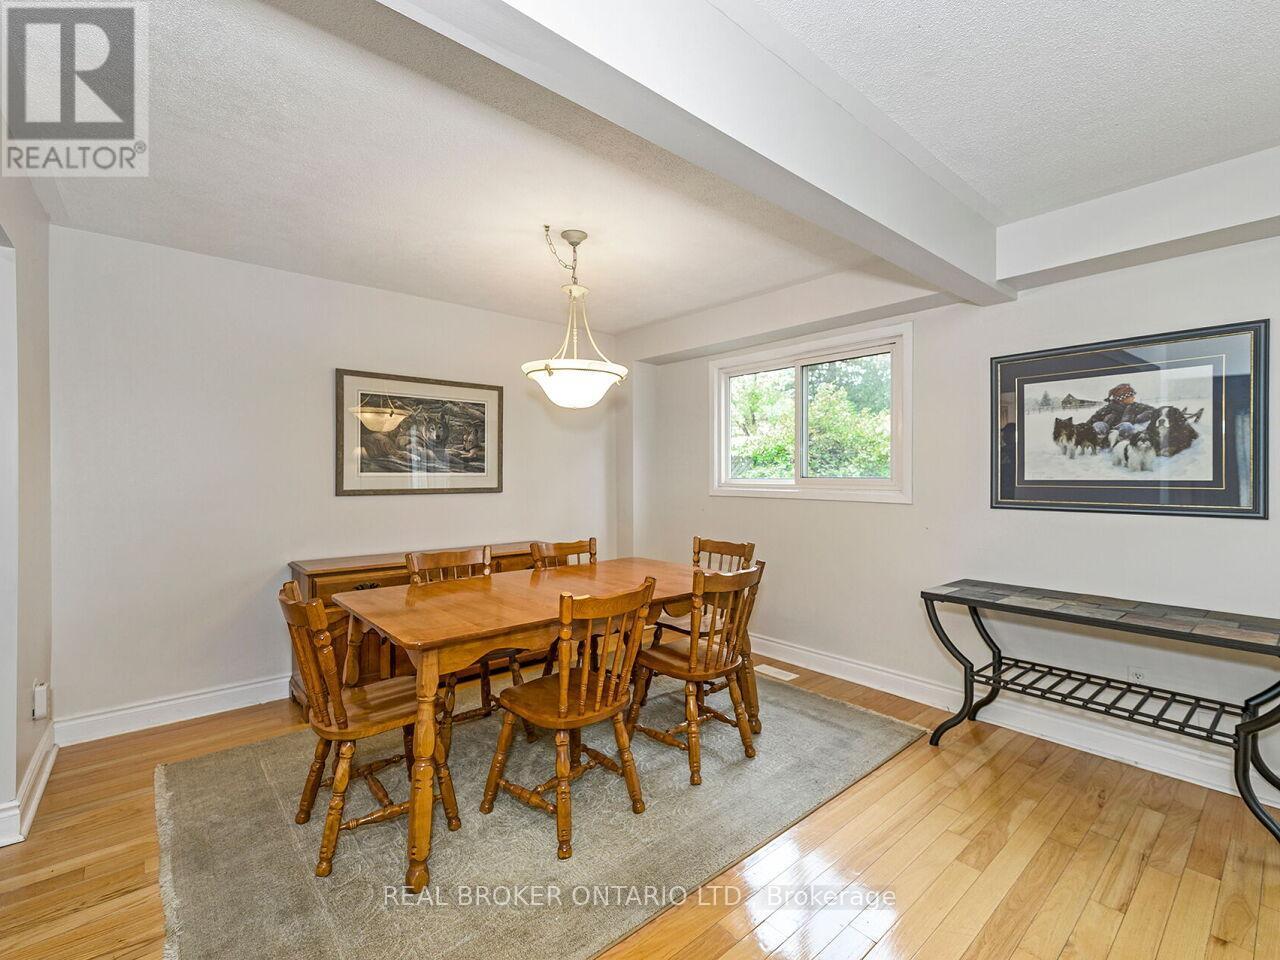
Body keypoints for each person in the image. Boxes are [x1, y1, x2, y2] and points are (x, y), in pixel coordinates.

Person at [1088, 383, 1155, 440]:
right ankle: (1100, 443)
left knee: (1126, 426)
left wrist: (1138, 418)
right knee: (1099, 425)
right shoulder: (1109, 408)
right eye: (1131, 396)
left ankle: (1124, 444)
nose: (1133, 398)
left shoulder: (1135, 406)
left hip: (1125, 433)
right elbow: (1094, 419)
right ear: (1123, 398)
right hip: (1108, 433)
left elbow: (1152, 410)